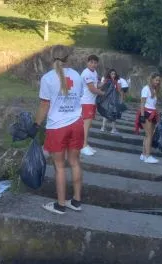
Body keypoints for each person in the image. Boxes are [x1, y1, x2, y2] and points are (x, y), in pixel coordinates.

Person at [28, 45, 84, 214]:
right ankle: (76, 201)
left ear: (52, 58)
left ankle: (60, 204)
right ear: (69, 58)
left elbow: (45, 105)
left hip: (57, 127)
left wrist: (36, 124)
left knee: (59, 167)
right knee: (74, 162)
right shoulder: (77, 76)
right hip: (76, 124)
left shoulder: (47, 78)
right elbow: (78, 97)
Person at [80, 55, 105, 156]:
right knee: (86, 125)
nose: (93, 64)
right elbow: (92, 89)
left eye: (95, 62)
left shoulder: (94, 72)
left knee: (89, 125)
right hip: (86, 102)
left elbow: (96, 85)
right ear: (87, 62)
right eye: (91, 62)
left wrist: (103, 83)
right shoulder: (86, 73)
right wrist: (103, 94)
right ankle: (83, 146)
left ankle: (85, 144)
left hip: (92, 101)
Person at [134, 72, 161, 164]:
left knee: (148, 135)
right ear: (152, 79)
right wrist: (142, 116)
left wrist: (158, 113)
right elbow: (142, 102)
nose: (157, 82)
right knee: (149, 135)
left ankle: (143, 154)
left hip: (153, 113)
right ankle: (147, 156)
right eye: (156, 80)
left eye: (159, 80)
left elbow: (154, 103)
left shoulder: (155, 89)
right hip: (146, 113)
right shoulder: (146, 88)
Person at [100, 69, 121, 134]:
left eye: (114, 74)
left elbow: (118, 91)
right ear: (109, 74)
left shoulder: (115, 81)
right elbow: (105, 90)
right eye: (112, 74)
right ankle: (111, 128)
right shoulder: (109, 81)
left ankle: (105, 128)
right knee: (112, 113)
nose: (113, 75)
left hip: (112, 100)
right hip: (110, 100)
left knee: (108, 113)